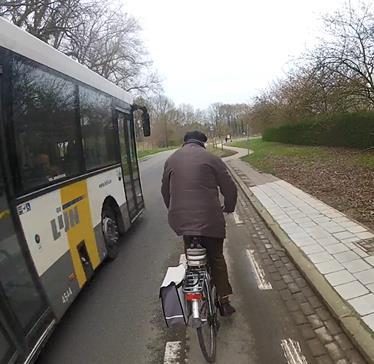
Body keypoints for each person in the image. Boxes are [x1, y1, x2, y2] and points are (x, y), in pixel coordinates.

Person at [161, 130, 237, 316]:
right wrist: (229, 207)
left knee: (191, 257)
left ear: (184, 142)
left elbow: (165, 192)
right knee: (216, 257)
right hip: (210, 218)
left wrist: (175, 210)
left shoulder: (171, 160)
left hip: (181, 220)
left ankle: (194, 298)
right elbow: (230, 188)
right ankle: (224, 302)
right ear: (203, 142)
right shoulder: (211, 158)